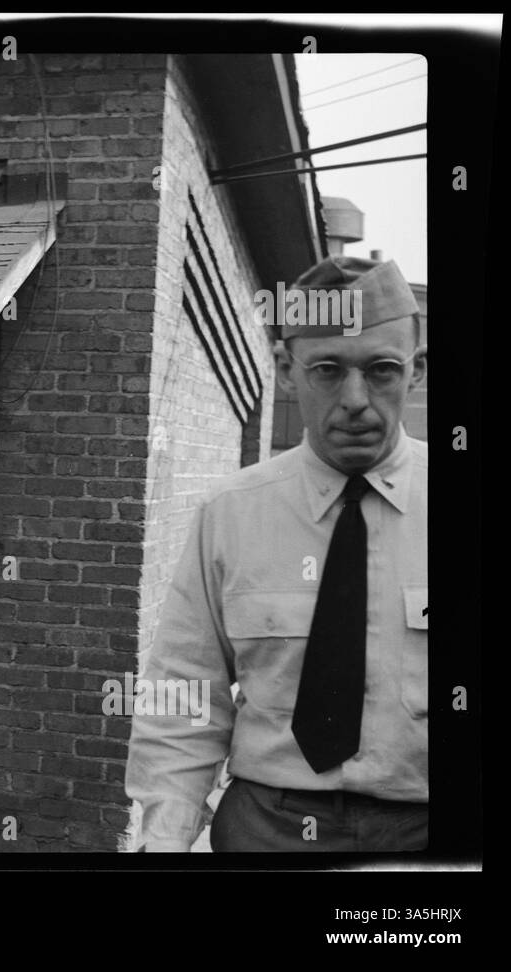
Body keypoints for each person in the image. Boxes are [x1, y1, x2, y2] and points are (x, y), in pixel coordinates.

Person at [127, 256, 428, 852]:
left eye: (382, 370)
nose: (356, 400)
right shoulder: (231, 512)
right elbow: (184, 689)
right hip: (268, 830)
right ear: (287, 371)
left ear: (417, 371)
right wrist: (162, 841)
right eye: (327, 371)